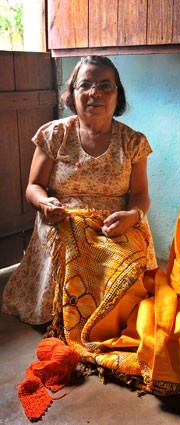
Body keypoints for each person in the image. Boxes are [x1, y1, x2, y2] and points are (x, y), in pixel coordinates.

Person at [2, 55, 157, 325]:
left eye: (105, 85)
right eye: (85, 85)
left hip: (114, 222)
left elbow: (141, 196)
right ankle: (75, 320)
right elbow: (34, 187)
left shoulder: (133, 142)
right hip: (64, 219)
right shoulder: (54, 134)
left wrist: (133, 216)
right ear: (72, 94)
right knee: (74, 250)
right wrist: (45, 204)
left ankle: (107, 320)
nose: (94, 93)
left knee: (125, 260)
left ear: (117, 96)